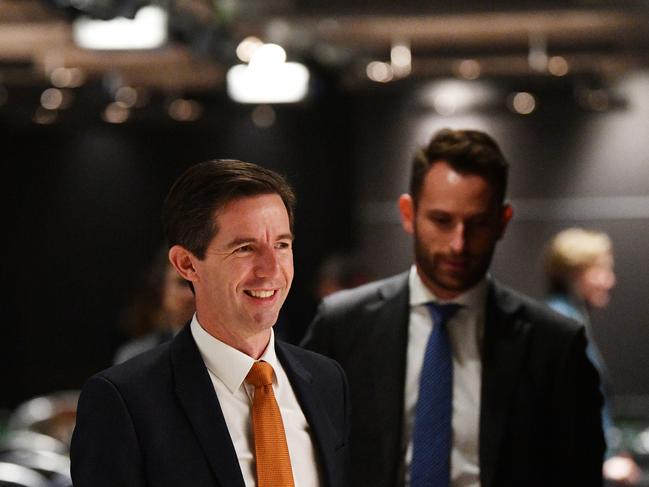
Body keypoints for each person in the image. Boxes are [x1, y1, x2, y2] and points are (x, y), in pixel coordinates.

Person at [302, 128, 605, 487]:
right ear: (408, 213)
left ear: (502, 222)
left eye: (477, 223)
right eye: (442, 221)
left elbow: (580, 473)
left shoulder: (554, 345)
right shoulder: (342, 325)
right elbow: (304, 450)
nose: (459, 244)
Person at [71, 160, 350, 487]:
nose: (272, 268)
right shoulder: (125, 402)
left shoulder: (328, 381)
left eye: (282, 245)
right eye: (245, 248)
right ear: (186, 264)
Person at [544, 228, 640, 485]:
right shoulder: (560, 325)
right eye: (602, 270)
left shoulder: (571, 320)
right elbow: (554, 415)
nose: (610, 280)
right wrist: (601, 462)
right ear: (575, 274)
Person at [113, 247, 195, 364]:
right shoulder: (136, 357)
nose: (192, 294)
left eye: (198, 283)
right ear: (161, 290)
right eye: (182, 283)